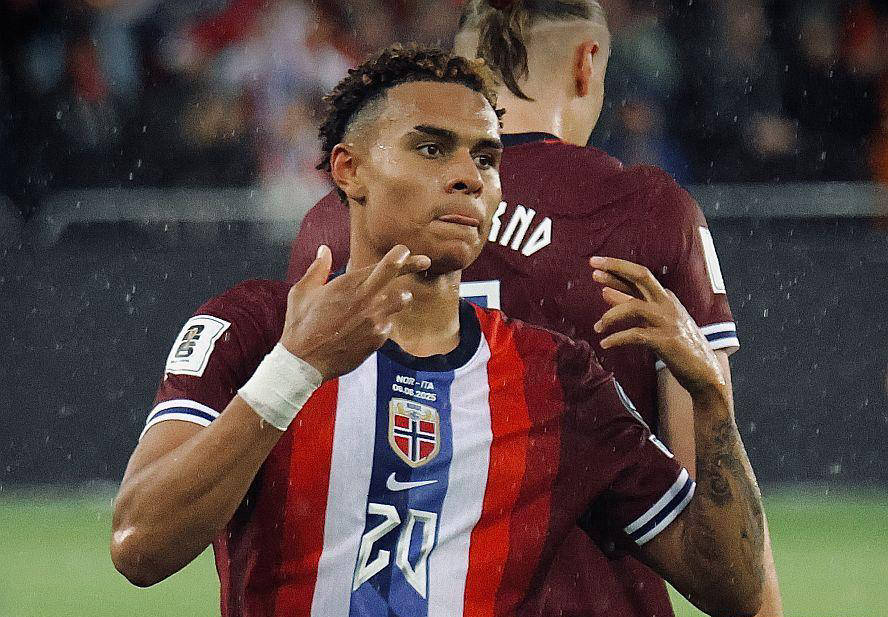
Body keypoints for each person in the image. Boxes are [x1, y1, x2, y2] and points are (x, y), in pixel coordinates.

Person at [111, 45, 766, 616]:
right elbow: (140, 546)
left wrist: (711, 401)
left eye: (486, 157)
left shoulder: (556, 377)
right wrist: (296, 367)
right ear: (349, 169)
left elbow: (730, 587)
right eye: (431, 147)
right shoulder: (254, 327)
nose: (467, 176)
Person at [285, 2, 783, 616]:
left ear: (458, 67)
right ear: (586, 62)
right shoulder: (646, 213)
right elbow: (712, 499)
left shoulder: (335, 221)